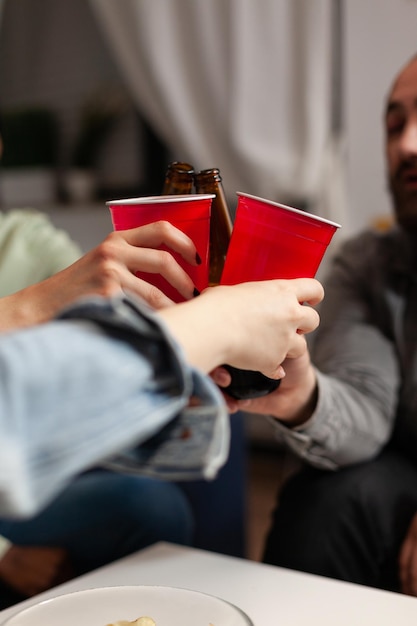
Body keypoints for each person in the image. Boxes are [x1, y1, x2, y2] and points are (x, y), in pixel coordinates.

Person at [213, 52, 417, 596]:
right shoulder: (367, 266)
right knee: (327, 495)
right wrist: (302, 396)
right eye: (395, 124)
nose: (407, 145)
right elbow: (365, 415)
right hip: (398, 482)